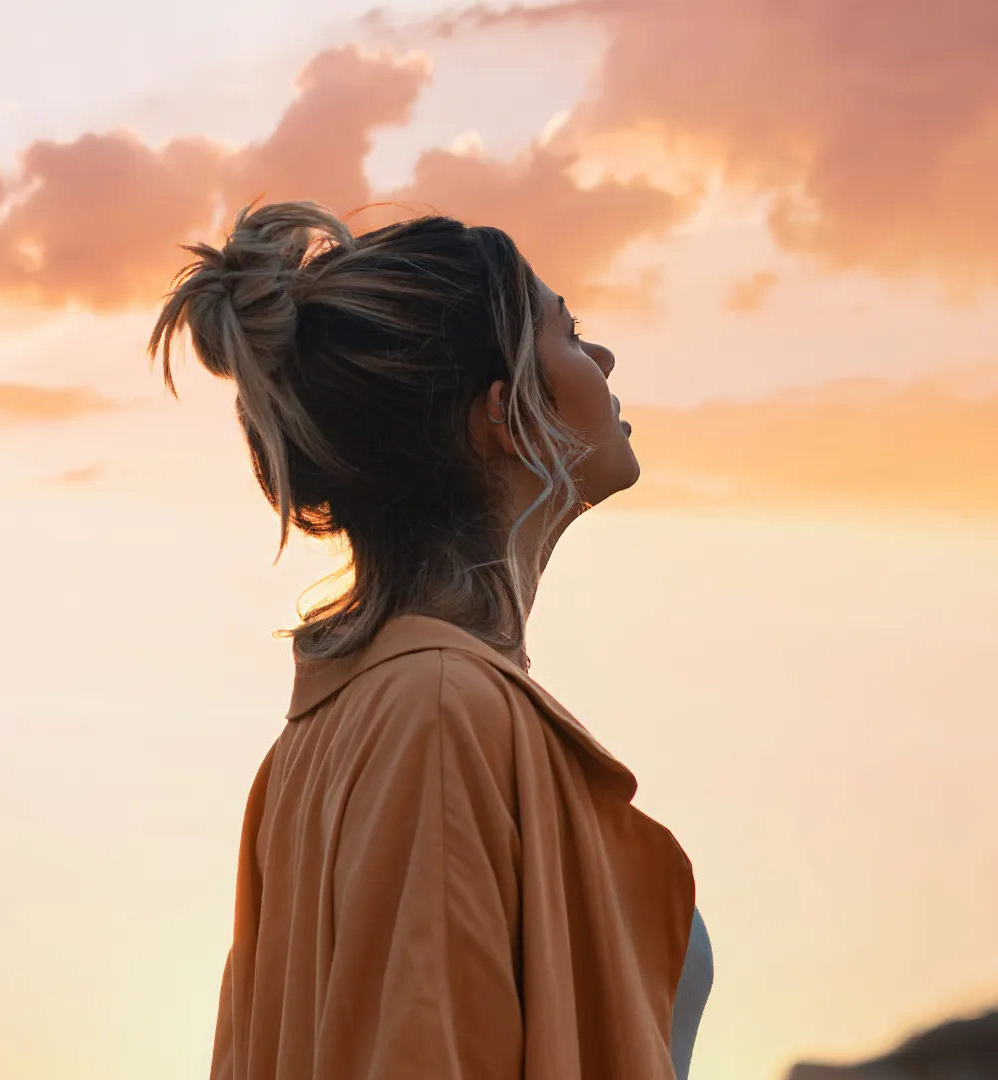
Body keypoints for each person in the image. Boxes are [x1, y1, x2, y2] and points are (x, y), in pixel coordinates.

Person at [149, 200, 713, 1080]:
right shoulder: (441, 708)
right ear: (503, 413)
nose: (602, 360)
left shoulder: (337, 732)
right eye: (567, 335)